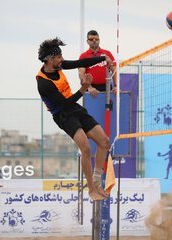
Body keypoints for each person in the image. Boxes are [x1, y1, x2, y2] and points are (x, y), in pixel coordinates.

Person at [36, 37, 113, 201]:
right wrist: (84, 88)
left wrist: (103, 58)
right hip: (62, 114)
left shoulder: (58, 65)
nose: (62, 60)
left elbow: (79, 63)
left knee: (104, 141)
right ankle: (91, 189)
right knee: (85, 149)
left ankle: (97, 180)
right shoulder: (43, 83)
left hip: (74, 108)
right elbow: (64, 103)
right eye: (59, 57)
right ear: (50, 60)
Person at [79, 30, 117, 98]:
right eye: (91, 39)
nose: (94, 41)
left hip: (106, 86)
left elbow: (114, 70)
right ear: (87, 41)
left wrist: (116, 86)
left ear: (99, 40)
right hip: (91, 87)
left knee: (108, 107)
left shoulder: (107, 53)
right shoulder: (83, 56)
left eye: (96, 39)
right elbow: (81, 74)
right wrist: (89, 87)